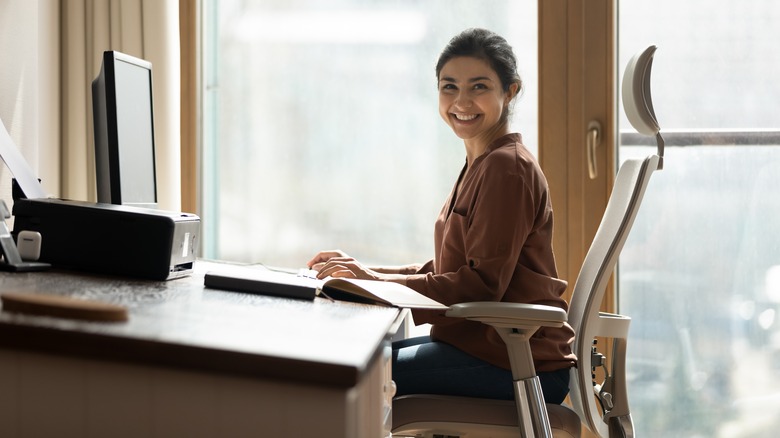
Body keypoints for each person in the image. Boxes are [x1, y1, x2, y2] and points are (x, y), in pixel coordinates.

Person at [307, 28, 576, 404]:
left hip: (515, 362)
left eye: (479, 87)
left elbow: (480, 285)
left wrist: (373, 282)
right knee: (349, 359)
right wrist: (368, 276)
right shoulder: (482, 162)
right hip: (486, 351)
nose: (461, 101)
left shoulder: (506, 168)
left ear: (510, 91)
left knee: (342, 376)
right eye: (449, 87)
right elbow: (451, 268)